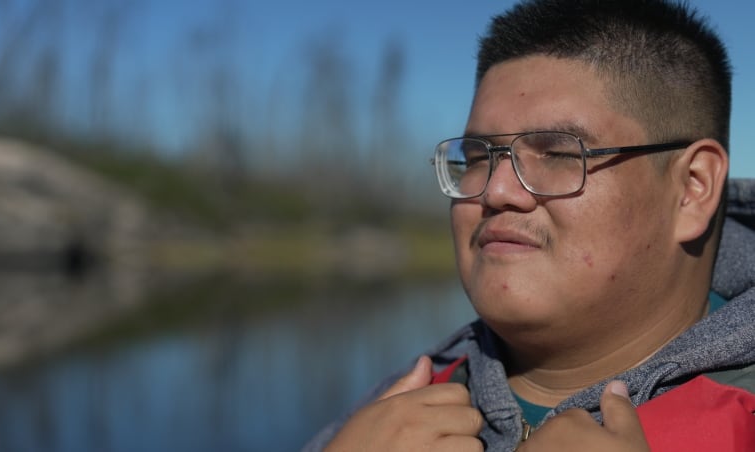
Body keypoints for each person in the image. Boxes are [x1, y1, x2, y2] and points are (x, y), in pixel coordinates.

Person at [304, 0, 755, 450]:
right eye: (478, 157)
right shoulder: (392, 413)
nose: (496, 191)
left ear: (692, 188)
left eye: (559, 154)